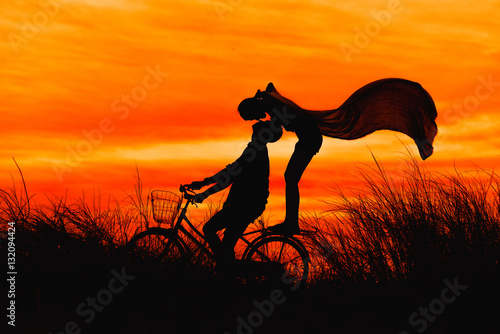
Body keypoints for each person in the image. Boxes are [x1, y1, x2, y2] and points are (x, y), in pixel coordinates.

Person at [238, 80, 438, 234]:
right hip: (308, 139)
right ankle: (291, 222)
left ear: (251, 108)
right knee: (290, 177)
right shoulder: (270, 102)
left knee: (290, 178)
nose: (256, 119)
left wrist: (265, 131)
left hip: (310, 139)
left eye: (252, 116)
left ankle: (291, 223)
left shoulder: (271, 104)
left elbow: (278, 129)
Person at [186, 120, 282, 264]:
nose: (259, 121)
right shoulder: (256, 149)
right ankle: (227, 271)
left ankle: (225, 266)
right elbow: (229, 174)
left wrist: (204, 189)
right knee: (227, 245)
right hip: (249, 204)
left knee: (209, 229)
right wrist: (203, 185)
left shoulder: (255, 151)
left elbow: (229, 175)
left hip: (246, 204)